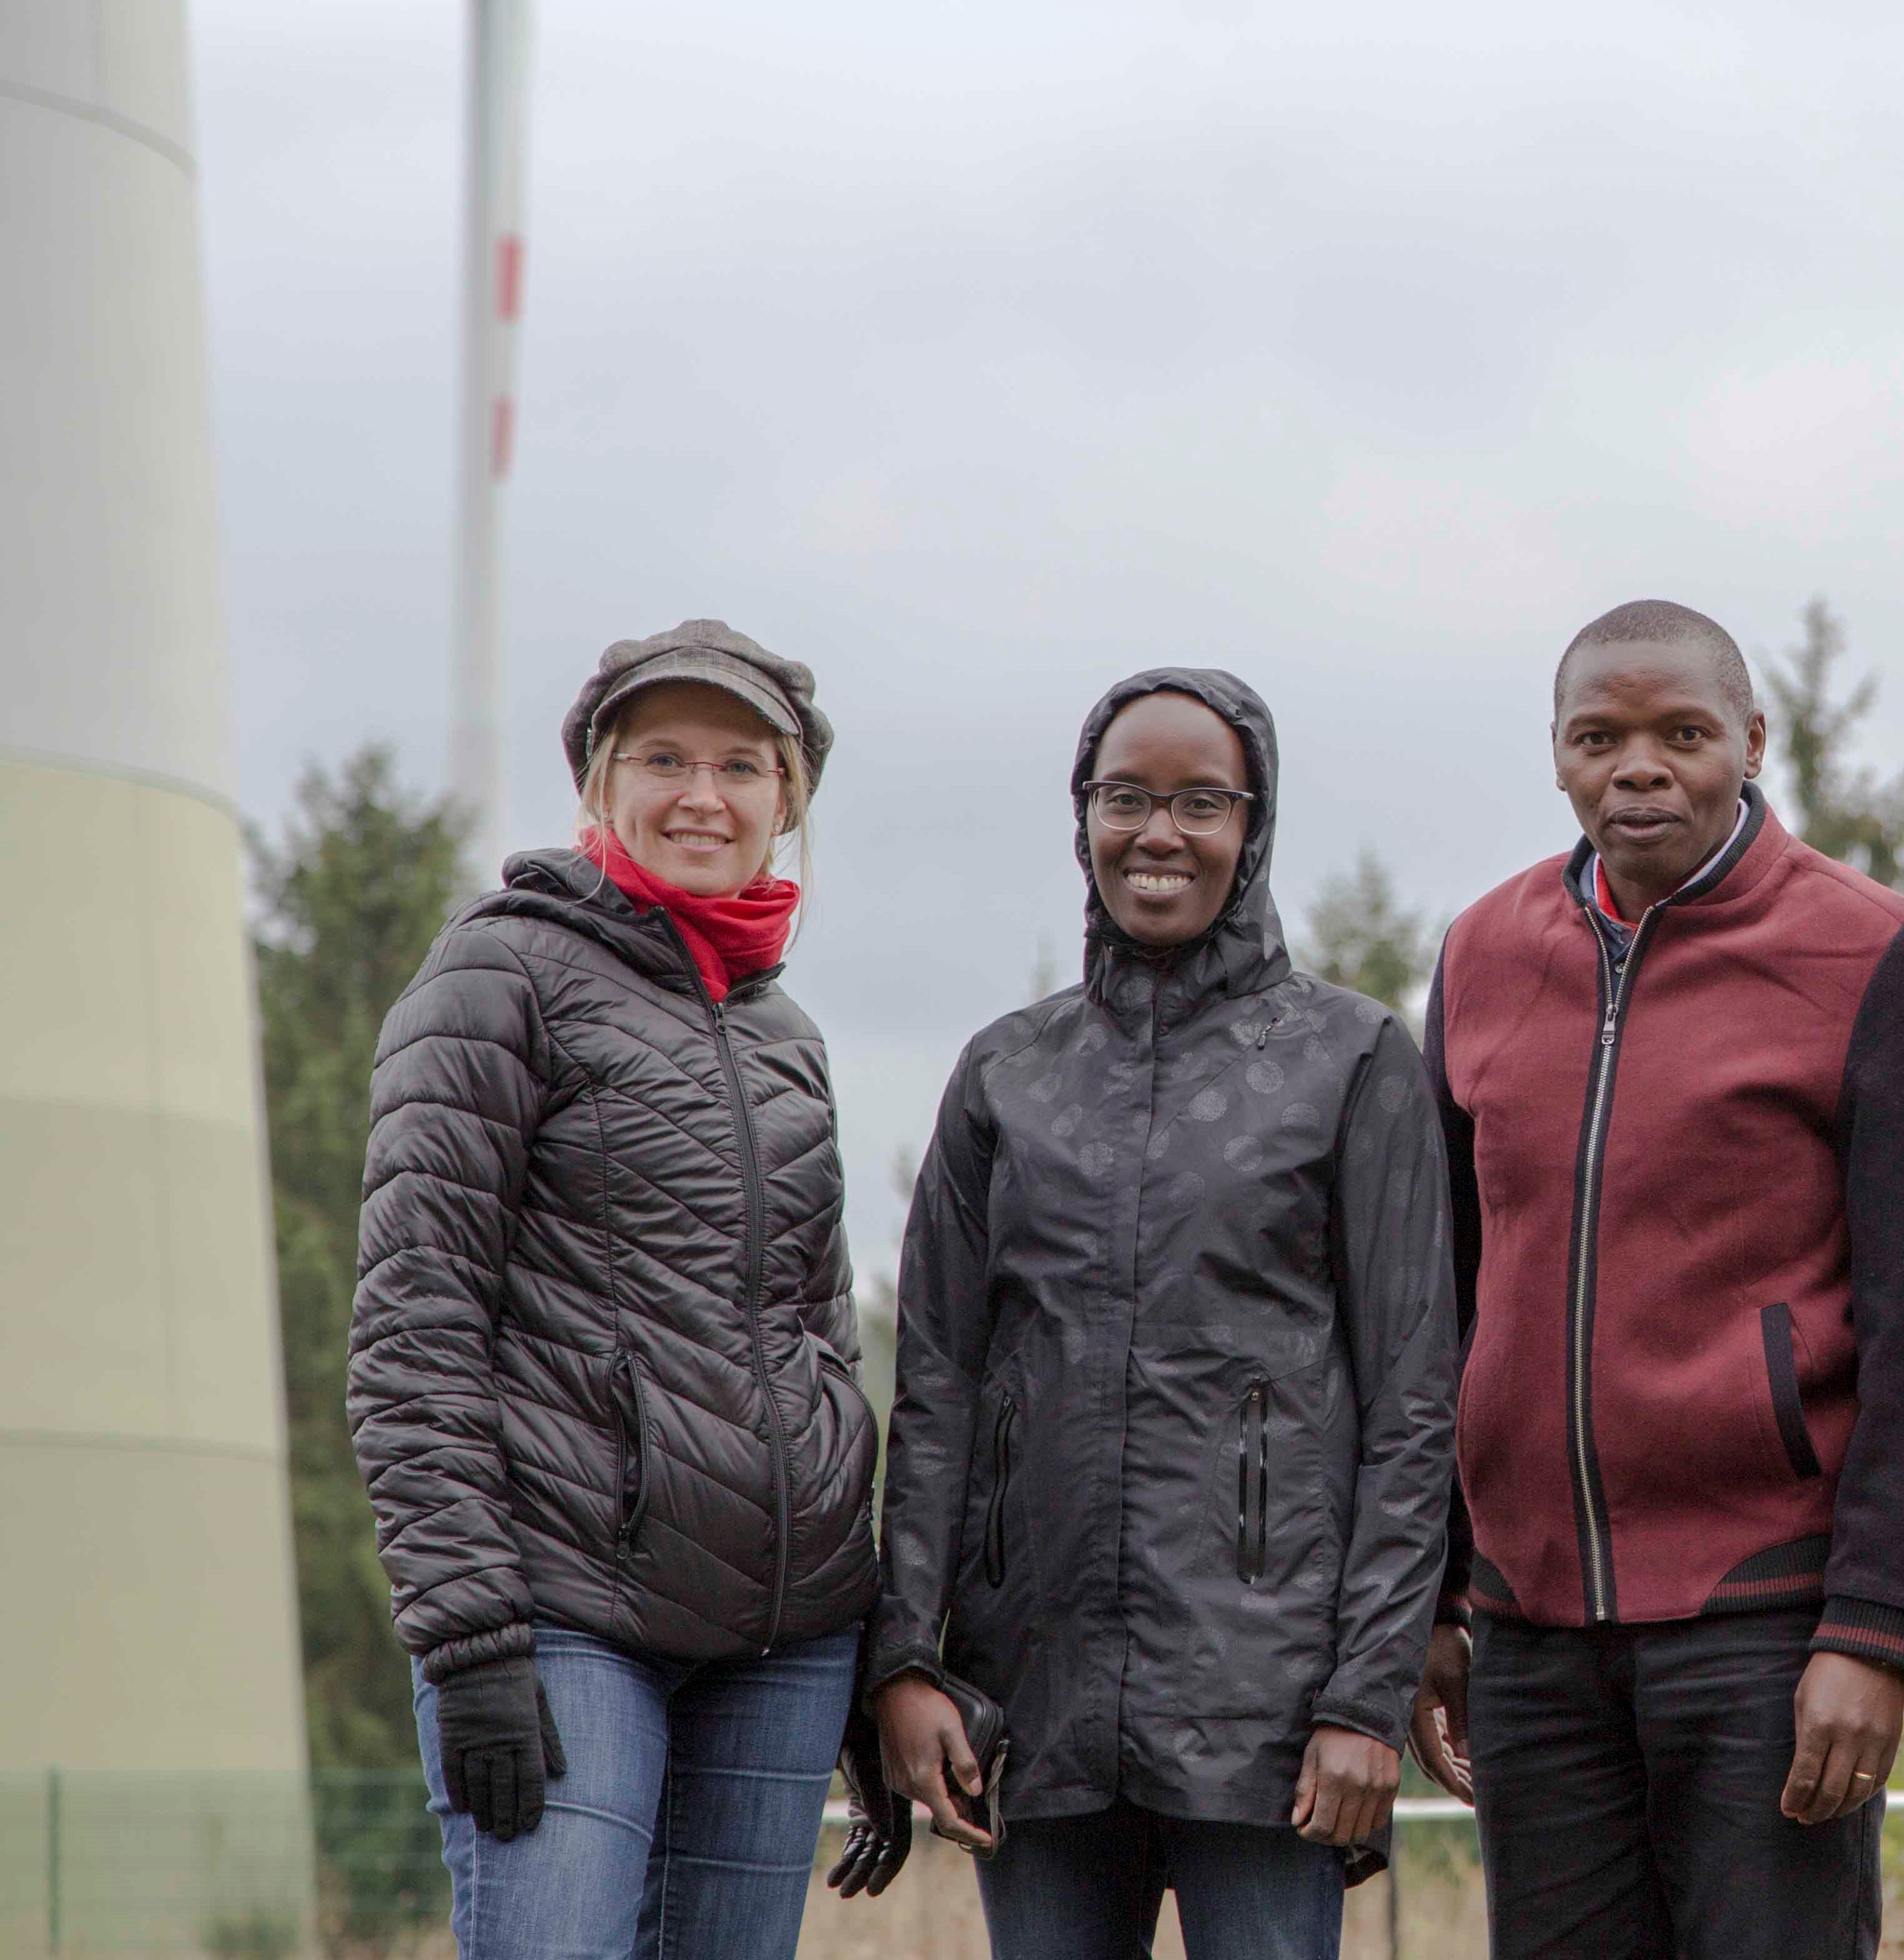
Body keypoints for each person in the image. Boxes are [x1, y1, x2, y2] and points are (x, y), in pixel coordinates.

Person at [1406, 599, 1904, 1960]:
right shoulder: (1482, 956)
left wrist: (1876, 1629)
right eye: (1598, 737)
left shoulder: (1875, 954)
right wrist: (1435, 1595)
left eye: (1682, 734)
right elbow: (1443, 1298)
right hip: (1531, 1633)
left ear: (1751, 739)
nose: (1639, 768)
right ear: (1557, 755)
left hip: (1771, 1626)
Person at [867, 668, 1455, 1960]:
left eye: (1203, 801)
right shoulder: (1005, 1072)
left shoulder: (1355, 1061)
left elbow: (1418, 1406)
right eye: (1126, 797)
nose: (1160, 832)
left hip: (1275, 1714)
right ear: (1081, 815)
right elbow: (938, 1392)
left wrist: (1367, 1695)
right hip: (1034, 1700)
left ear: (1255, 827)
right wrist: (906, 1664)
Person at [352, 619, 890, 1960]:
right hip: (565, 1610)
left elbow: (818, 1336)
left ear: (789, 801)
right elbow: (416, 1328)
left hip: (784, 1640)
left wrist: (870, 1652)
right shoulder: (498, 974)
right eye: (661, 757)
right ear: (599, 784)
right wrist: (470, 1633)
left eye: (741, 767)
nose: (700, 796)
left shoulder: (787, 1037)